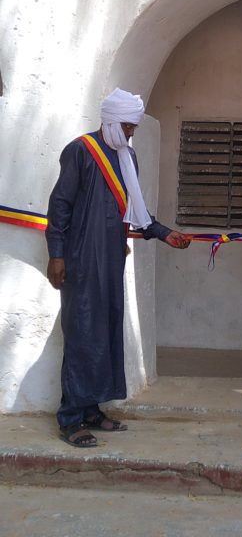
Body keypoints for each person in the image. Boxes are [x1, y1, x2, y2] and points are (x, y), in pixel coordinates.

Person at [45, 88, 191, 448]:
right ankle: (70, 418)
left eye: (133, 127)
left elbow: (134, 211)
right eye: (127, 126)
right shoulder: (80, 151)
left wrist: (164, 234)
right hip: (81, 259)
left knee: (105, 332)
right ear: (110, 120)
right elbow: (60, 206)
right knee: (81, 334)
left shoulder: (128, 158)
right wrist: (57, 254)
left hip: (111, 259)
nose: (130, 133)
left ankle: (92, 409)